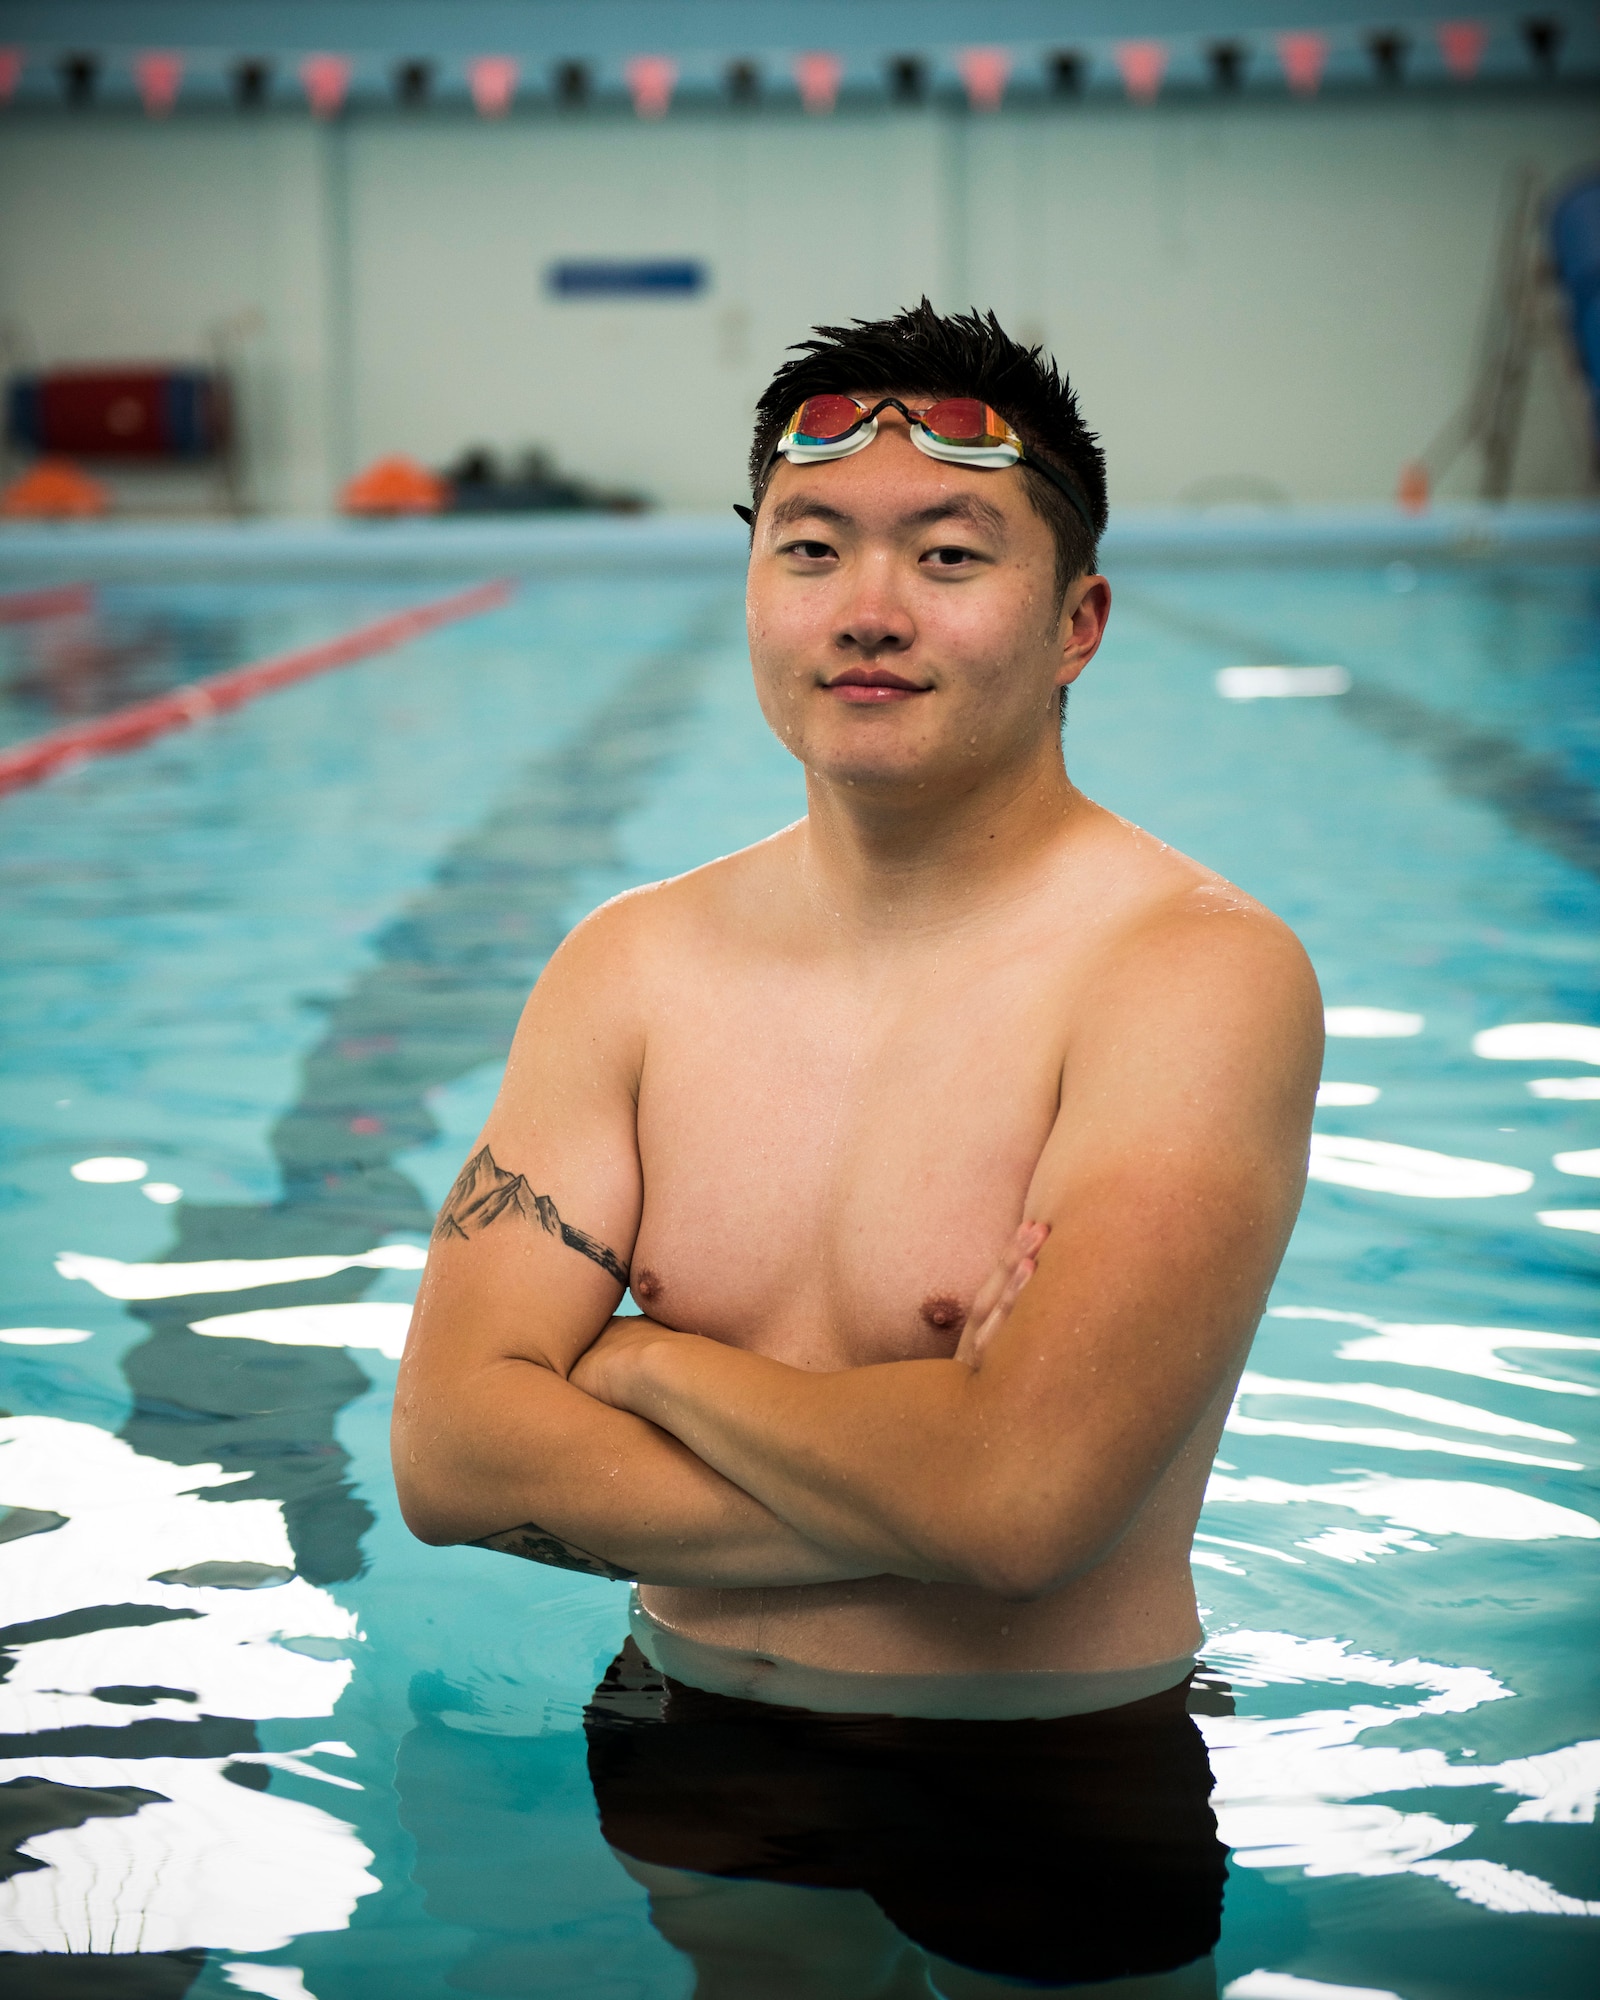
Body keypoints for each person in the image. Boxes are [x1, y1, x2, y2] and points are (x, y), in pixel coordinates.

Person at [393, 302, 1321, 1991]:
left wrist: (649, 1365)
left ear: (1076, 621)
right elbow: (453, 1457)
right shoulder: (633, 969)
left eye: (951, 553)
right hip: (694, 1732)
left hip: (1055, 1765)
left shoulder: (1195, 979)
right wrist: (945, 1473)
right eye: (812, 547)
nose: (869, 611)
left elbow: (1026, 1511)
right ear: (754, 591)